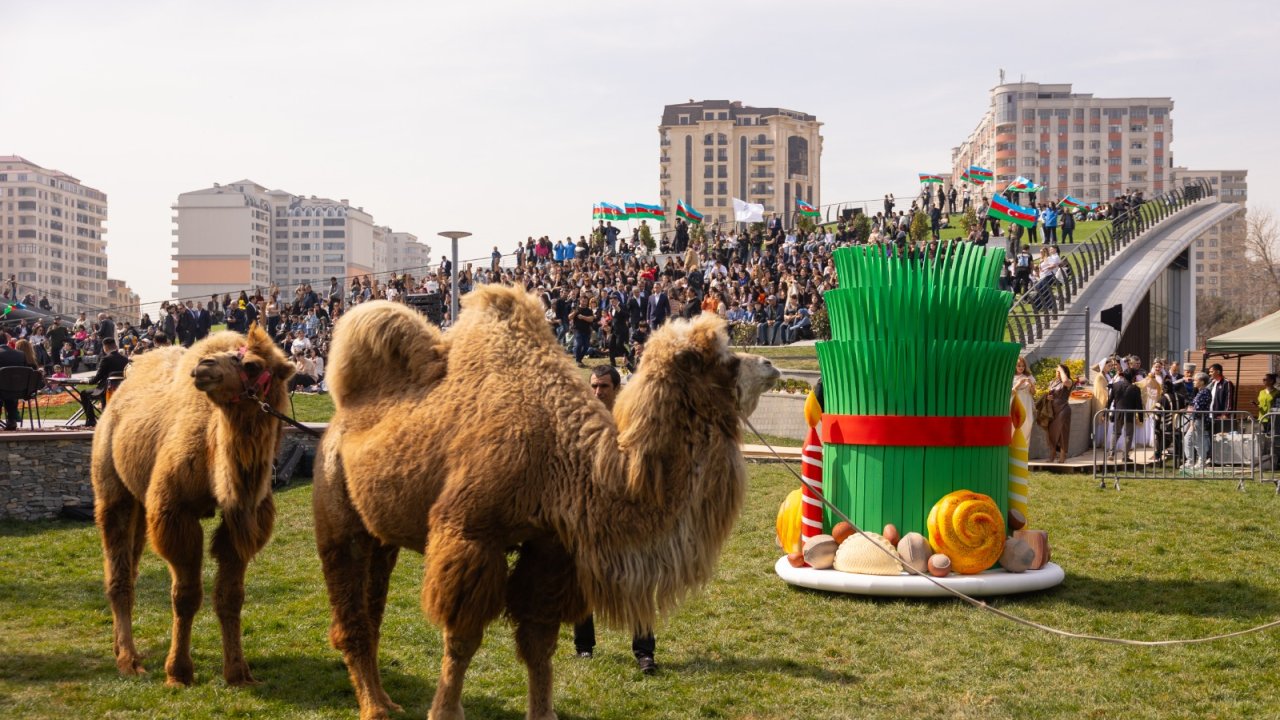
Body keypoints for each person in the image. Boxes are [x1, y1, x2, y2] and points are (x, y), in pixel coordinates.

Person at [573, 365, 659, 674]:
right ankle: (584, 647)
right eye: (594, 386)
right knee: (585, 580)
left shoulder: (630, 425)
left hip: (627, 517)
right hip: (592, 516)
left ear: (617, 389)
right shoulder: (582, 424)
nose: (597, 392)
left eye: (604, 387)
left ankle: (644, 652)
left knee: (638, 584)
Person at [79, 337, 129, 428]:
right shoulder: (125, 359)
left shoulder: (106, 359)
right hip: (121, 389)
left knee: (83, 393)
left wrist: (88, 381)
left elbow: (97, 378)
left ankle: (91, 421)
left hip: (106, 389)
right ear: (116, 346)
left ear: (105, 347)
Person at [1106, 369, 1142, 463]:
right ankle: (1124, 456)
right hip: (1129, 414)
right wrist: (1141, 417)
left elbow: (1110, 400)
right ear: (1133, 377)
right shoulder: (1135, 389)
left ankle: (1111, 453)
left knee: (1115, 433)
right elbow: (1139, 404)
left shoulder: (1116, 385)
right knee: (1128, 435)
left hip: (1118, 413)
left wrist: (1107, 410)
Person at [1182, 372, 1212, 470]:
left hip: (1199, 420)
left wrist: (1189, 411)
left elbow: (1197, 409)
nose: (1194, 382)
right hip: (1195, 420)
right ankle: (1190, 461)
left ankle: (1201, 461)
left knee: (1198, 440)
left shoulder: (1205, 392)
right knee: (1188, 439)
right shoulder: (1200, 392)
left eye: (1196, 380)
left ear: (1202, 382)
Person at [0, 332, 27, 430]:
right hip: (18, 390)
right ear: (7, 341)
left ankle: (12, 420)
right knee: (9, 389)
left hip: (2, 389)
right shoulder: (20, 354)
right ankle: (12, 420)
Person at [1046, 364, 1073, 463]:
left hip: (1063, 410)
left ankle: (1062, 455)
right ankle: (1052, 454)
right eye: (1057, 371)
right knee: (1051, 433)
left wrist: (1061, 369)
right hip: (1052, 411)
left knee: (1062, 433)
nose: (1057, 373)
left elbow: (1065, 381)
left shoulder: (1069, 381)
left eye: (1060, 371)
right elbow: (1049, 394)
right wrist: (1048, 398)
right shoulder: (1052, 382)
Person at [1011, 357, 1036, 442]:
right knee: (1013, 425)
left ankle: (1024, 451)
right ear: (1014, 366)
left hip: (1027, 403)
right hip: (1015, 402)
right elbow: (1010, 392)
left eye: (1023, 366)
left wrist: (1031, 384)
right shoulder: (1010, 377)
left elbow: (1033, 392)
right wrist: (1019, 383)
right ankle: (1013, 452)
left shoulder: (1029, 376)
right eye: (1018, 366)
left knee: (1028, 423)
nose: (1021, 368)